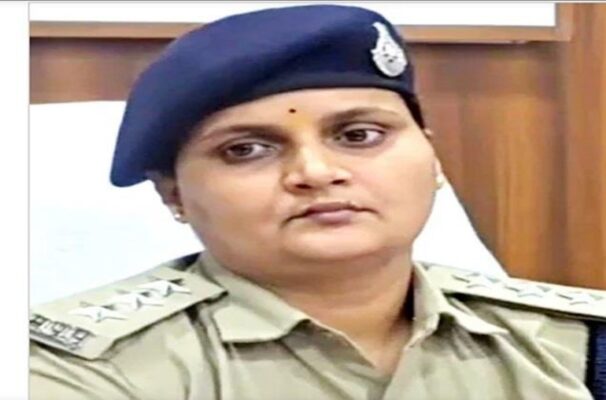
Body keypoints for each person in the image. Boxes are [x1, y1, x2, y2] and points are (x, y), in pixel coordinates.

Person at [29, 4, 606, 400]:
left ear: (432, 160)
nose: (317, 172)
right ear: (173, 195)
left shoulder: (577, 344)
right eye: (246, 149)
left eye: (359, 135)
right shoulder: (74, 369)